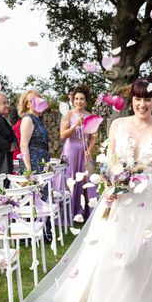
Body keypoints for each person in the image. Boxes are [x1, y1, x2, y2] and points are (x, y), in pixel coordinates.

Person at [24, 78, 152, 302]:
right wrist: (110, 185)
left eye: (148, 99)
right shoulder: (117, 125)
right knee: (114, 257)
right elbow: (111, 161)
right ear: (131, 101)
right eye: (138, 99)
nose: (142, 104)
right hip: (119, 199)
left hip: (150, 199)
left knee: (140, 258)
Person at [60, 84, 98, 219]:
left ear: (86, 101)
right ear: (73, 100)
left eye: (81, 99)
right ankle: (70, 212)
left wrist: (90, 149)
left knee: (87, 178)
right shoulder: (69, 115)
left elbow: (94, 136)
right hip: (71, 150)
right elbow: (63, 135)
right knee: (71, 180)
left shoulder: (90, 116)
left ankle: (88, 213)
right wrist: (76, 125)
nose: (78, 101)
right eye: (76, 99)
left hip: (84, 150)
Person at [18, 89, 50, 174]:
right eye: (33, 101)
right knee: (36, 186)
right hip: (33, 160)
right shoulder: (28, 119)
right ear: (27, 105)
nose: (37, 102)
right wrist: (28, 167)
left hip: (42, 159)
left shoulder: (38, 119)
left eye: (38, 99)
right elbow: (23, 145)